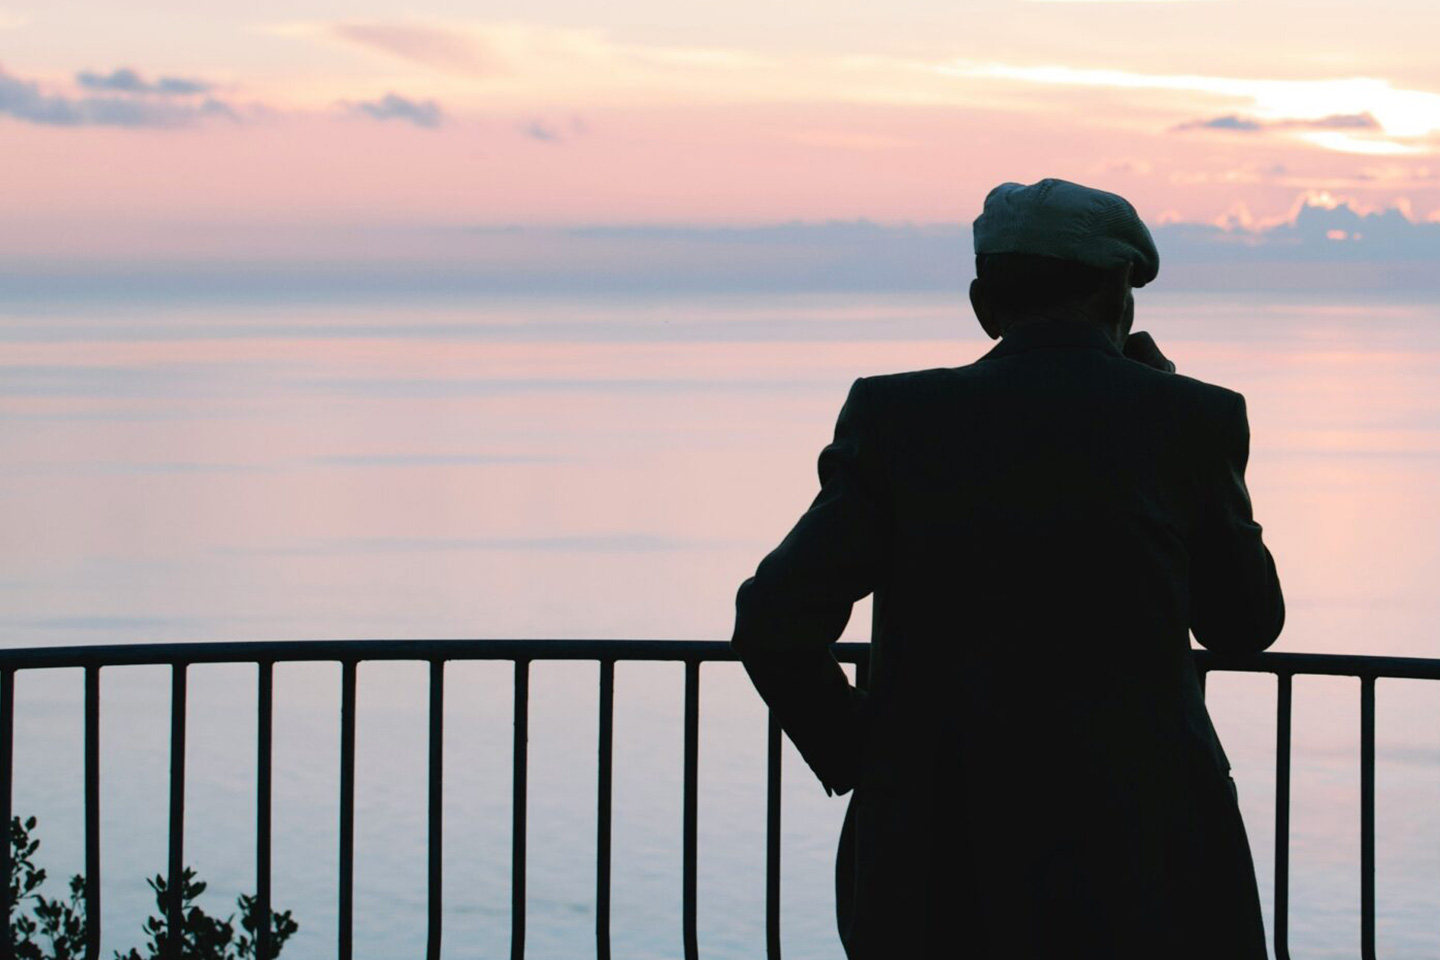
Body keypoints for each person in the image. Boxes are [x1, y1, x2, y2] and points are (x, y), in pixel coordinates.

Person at [731, 178, 1284, 959]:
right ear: (1117, 297)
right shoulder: (1193, 417)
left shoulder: (897, 420)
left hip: (936, 847)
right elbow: (1243, 625)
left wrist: (867, 753)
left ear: (984, 304)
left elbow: (774, 619)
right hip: (1145, 841)